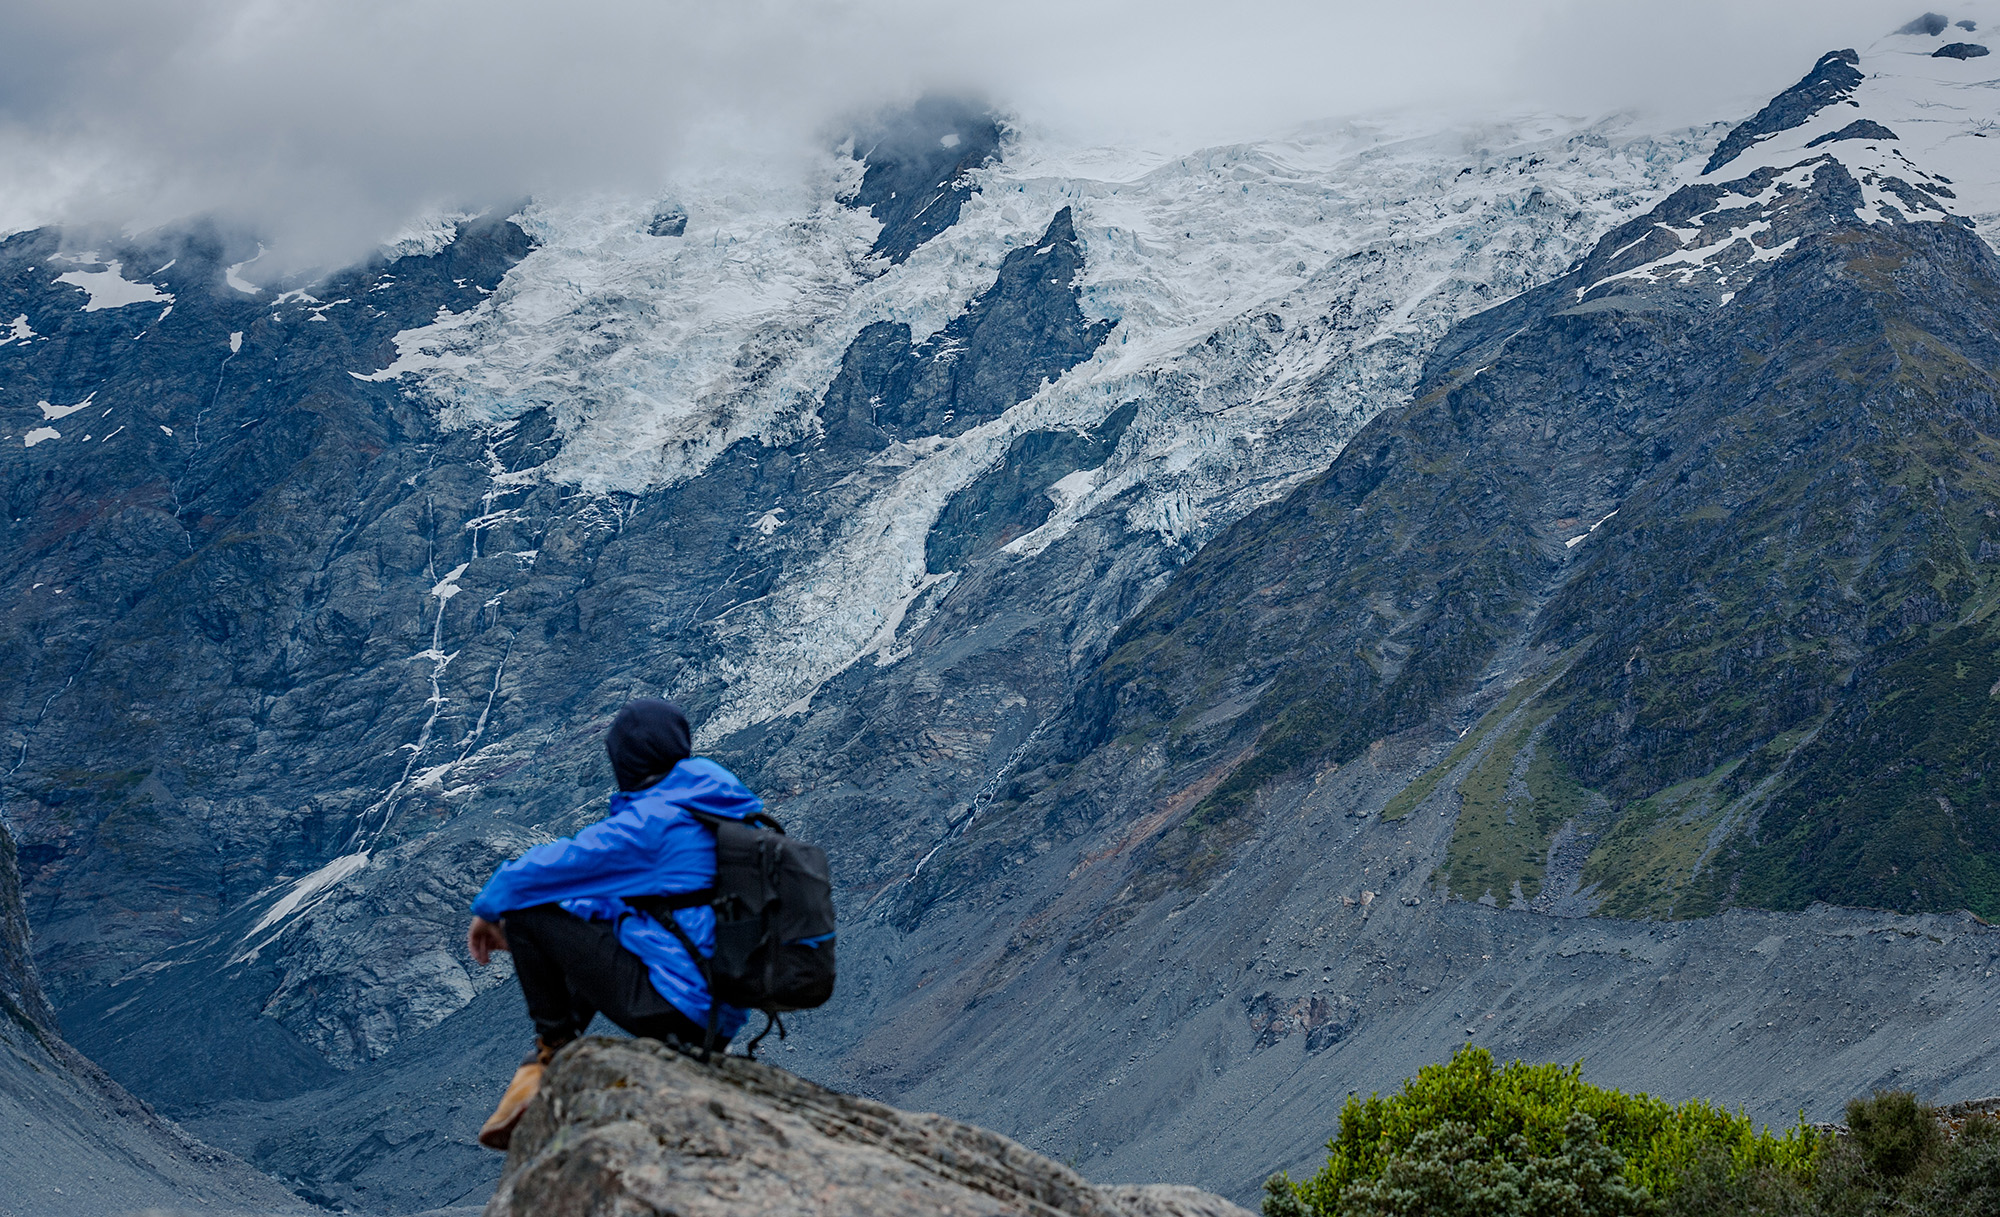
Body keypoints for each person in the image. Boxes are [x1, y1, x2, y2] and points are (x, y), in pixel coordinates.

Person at [465, 697, 762, 1151]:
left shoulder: (652, 823)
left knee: (524, 910)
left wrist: (489, 912)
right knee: (589, 917)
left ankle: (551, 1055)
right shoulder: (717, 808)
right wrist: (558, 938)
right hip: (720, 1012)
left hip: (679, 1010)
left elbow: (543, 870)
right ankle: (550, 1060)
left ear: (625, 758)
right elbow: (613, 904)